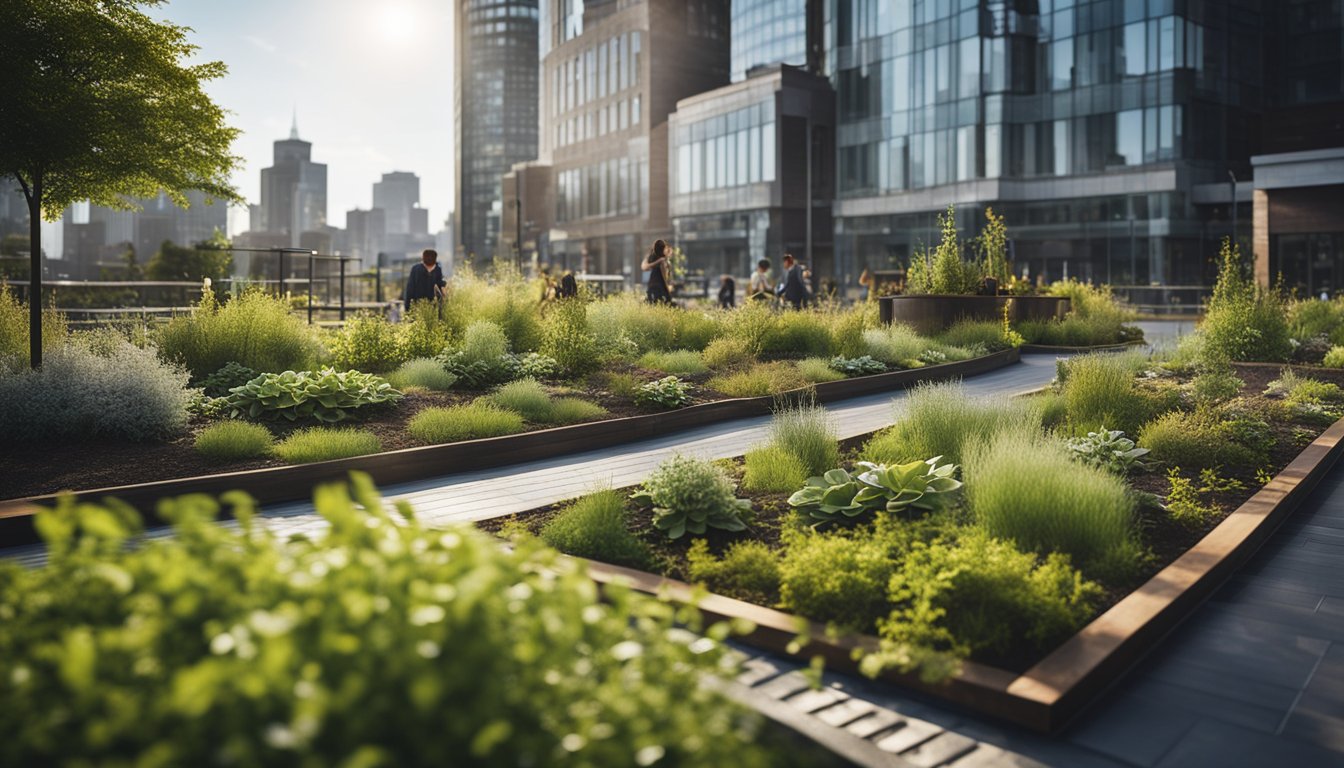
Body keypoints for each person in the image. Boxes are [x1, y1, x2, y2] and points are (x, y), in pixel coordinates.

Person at [641, 239, 673, 305]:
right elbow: (665, 279)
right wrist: (668, 292)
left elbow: (644, 267)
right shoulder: (661, 261)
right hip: (659, 289)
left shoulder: (658, 260)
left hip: (652, 287)